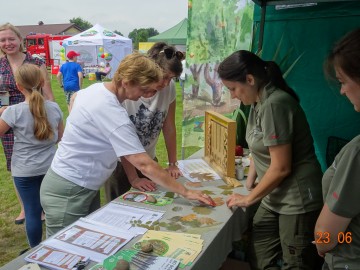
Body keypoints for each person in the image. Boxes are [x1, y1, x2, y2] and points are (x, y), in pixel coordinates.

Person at [40, 52, 215, 238]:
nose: (147, 95)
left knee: (83, 240)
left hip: (81, 184)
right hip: (70, 189)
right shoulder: (111, 109)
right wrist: (186, 192)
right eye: (145, 90)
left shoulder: (96, 90)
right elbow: (144, 163)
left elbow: (75, 97)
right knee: (62, 247)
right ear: (126, 82)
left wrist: (133, 179)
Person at [218, 50, 324, 269]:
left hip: (296, 200)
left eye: (233, 89)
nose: (233, 96)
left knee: (296, 262)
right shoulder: (258, 103)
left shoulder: (275, 104)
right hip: (273, 196)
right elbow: (259, 149)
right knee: (258, 254)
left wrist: (248, 199)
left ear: (250, 79)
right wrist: (248, 187)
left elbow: (281, 167)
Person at [104, 42, 184, 202]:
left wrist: (173, 163)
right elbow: (121, 142)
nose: (167, 83)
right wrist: (133, 178)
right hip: (120, 164)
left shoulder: (169, 88)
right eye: (165, 76)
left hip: (148, 160)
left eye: (172, 78)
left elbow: (168, 127)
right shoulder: (129, 92)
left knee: (150, 206)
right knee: (119, 208)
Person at [0, 63, 63, 248]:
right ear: (43, 82)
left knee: (32, 212)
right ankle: (58, 247)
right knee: (53, 210)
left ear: (18, 86)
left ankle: (35, 251)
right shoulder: (54, 108)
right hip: (51, 167)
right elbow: (61, 137)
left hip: (24, 170)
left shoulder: (13, 111)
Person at [0, 22, 54, 225]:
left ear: (20, 40)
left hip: (35, 115)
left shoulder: (35, 61)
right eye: (3, 40)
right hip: (8, 119)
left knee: (41, 162)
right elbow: (1, 94)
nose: (7, 43)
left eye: (11, 39)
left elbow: (46, 91)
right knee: (16, 165)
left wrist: (52, 114)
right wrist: (2, 109)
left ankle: (42, 206)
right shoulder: (0, 65)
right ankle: (26, 208)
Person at [315, 28, 360, 269]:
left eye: (343, 82)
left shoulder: (357, 152)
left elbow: (326, 234)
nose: (341, 91)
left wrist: (322, 245)